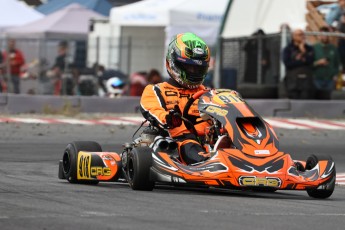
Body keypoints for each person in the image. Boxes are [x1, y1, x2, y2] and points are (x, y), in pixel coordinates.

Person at [140, 32, 211, 165]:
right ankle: (205, 164)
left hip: (210, 140)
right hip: (179, 139)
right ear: (172, 62)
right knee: (188, 142)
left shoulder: (207, 92)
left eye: (198, 68)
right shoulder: (155, 90)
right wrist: (168, 119)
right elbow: (153, 109)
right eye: (189, 67)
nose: (194, 72)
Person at [282, 29, 315, 99]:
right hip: (293, 81)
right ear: (293, 37)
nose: (302, 37)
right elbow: (288, 63)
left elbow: (310, 61)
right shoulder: (288, 49)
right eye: (300, 35)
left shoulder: (309, 48)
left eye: (303, 35)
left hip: (307, 81)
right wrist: (302, 61)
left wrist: (303, 51)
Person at [313, 26, 340, 99]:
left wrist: (336, 74)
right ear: (319, 35)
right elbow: (309, 64)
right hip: (317, 78)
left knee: (329, 99)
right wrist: (318, 63)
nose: (324, 37)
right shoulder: (314, 48)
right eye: (322, 34)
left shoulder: (333, 48)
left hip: (330, 79)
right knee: (317, 99)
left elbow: (337, 63)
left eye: (326, 34)